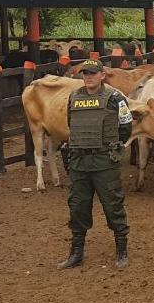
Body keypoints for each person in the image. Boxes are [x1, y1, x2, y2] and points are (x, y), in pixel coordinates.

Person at [56, 60, 135, 270]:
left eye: (92, 73)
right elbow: (71, 122)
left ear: (102, 75)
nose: (88, 77)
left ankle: (121, 249)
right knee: (77, 206)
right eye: (85, 73)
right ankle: (76, 252)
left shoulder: (115, 98)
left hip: (104, 161)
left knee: (113, 205)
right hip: (80, 161)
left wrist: (112, 147)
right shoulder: (74, 97)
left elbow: (126, 126)